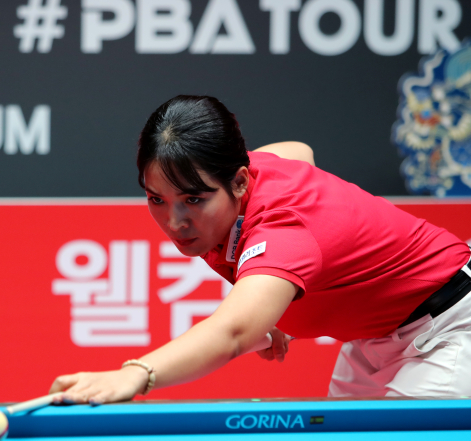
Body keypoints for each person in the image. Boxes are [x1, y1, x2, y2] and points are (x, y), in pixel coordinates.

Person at [49, 95, 471, 404]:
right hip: (373, 337)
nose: (175, 222)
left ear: (239, 182)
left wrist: (136, 374)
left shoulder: (283, 229)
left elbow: (234, 332)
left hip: (450, 330)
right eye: (157, 199)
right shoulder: (246, 175)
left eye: (193, 199)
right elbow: (296, 151)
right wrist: (279, 299)